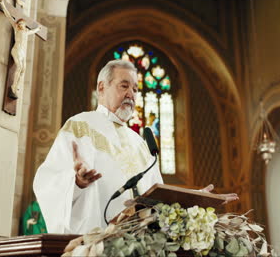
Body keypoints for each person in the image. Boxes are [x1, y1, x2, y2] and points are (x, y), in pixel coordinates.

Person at [33, 60, 238, 234]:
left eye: (135, 89)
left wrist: (193, 199)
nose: (131, 94)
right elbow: (47, 183)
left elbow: (158, 197)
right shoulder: (80, 125)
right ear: (102, 87)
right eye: (124, 86)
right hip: (95, 242)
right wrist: (77, 182)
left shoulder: (140, 143)